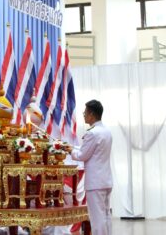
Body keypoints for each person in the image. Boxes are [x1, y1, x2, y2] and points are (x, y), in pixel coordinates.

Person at [65, 99, 113, 235]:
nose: (84, 115)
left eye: (85, 112)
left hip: (95, 183)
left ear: (91, 114)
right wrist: (72, 147)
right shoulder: (106, 131)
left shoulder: (92, 133)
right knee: (106, 216)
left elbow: (82, 156)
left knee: (97, 219)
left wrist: (69, 151)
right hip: (106, 180)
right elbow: (92, 150)